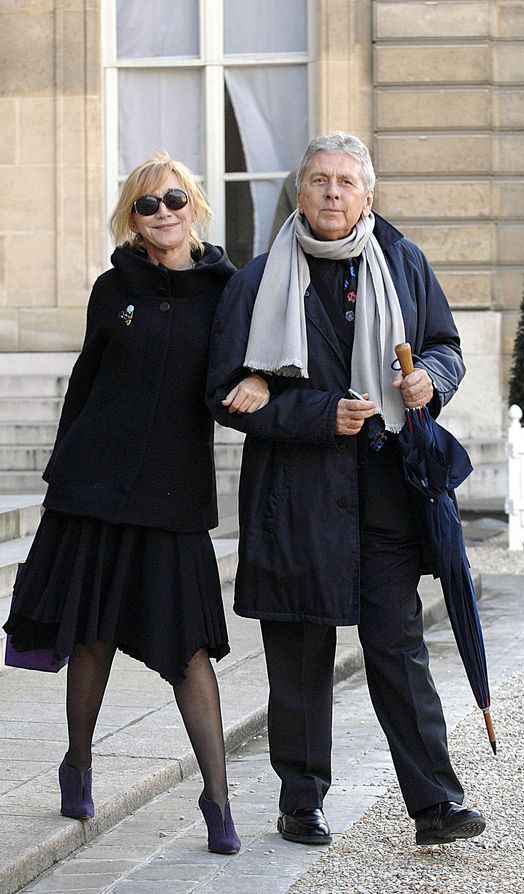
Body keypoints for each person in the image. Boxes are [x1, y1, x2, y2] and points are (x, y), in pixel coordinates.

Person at [206, 132, 486, 848]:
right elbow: (225, 394)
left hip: (388, 493)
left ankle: (436, 804)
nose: (333, 193)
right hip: (296, 498)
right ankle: (301, 803)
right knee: (300, 654)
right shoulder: (257, 280)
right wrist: (317, 413)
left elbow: (445, 347)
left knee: (398, 648)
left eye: (346, 182)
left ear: (368, 195)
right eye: (320, 181)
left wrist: (431, 379)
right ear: (300, 193)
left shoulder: (403, 261)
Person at [3, 151, 269, 855]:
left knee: (188, 651)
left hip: (172, 497)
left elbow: (253, 366)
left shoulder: (227, 289)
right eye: (147, 204)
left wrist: (264, 383)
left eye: (174, 199)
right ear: (132, 217)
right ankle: (78, 763)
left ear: (194, 205)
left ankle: (218, 801)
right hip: (93, 489)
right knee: (90, 637)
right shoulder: (111, 288)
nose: (163, 212)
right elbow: (84, 386)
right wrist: (59, 485)